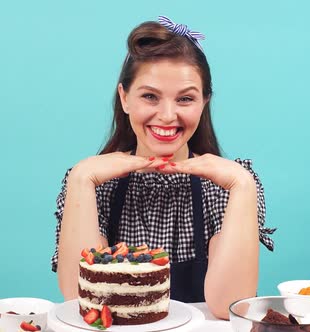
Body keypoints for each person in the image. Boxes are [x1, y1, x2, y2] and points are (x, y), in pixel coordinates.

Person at [50, 16, 275, 319]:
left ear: (204, 102)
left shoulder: (227, 186)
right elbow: (83, 303)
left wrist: (243, 184)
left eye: (185, 98)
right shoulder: (92, 183)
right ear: (124, 98)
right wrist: (80, 178)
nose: (168, 115)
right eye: (150, 96)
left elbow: (230, 307)